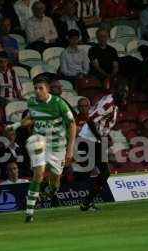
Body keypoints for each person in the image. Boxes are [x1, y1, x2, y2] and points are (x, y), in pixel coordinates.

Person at [7, 75, 76, 223]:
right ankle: (29, 213)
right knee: (38, 174)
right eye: (35, 89)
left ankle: (48, 192)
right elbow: (32, 117)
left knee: (55, 183)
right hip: (40, 142)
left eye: (40, 88)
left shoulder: (59, 103)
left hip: (58, 147)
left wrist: (70, 149)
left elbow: (72, 124)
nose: (37, 91)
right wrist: (16, 125)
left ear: (48, 89)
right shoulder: (32, 102)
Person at [78, 80, 129, 211]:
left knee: (96, 171)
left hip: (95, 139)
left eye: (127, 93)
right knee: (101, 172)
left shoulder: (114, 104)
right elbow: (90, 120)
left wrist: (105, 138)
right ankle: (85, 202)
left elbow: (104, 124)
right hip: (89, 138)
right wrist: (100, 139)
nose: (125, 95)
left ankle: (86, 202)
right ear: (115, 91)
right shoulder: (108, 103)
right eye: (123, 92)